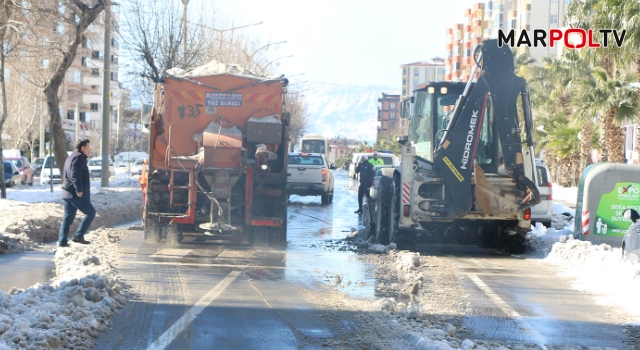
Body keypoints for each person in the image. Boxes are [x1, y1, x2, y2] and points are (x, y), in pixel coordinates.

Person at [57, 139, 96, 247]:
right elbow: (75, 175)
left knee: (68, 217)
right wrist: (79, 189)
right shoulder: (79, 157)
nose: (89, 149)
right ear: (82, 148)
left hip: (67, 192)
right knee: (91, 213)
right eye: (88, 147)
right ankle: (79, 235)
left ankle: (62, 241)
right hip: (75, 193)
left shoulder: (71, 157)